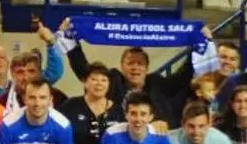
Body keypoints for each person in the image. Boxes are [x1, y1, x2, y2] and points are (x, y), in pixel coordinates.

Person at [62, 21, 203, 130]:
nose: (135, 67)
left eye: (140, 63)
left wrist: (199, 46)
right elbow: (85, 71)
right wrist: (71, 41)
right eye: (130, 63)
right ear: (122, 66)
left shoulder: (156, 83)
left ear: (147, 68)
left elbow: (183, 77)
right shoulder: (114, 80)